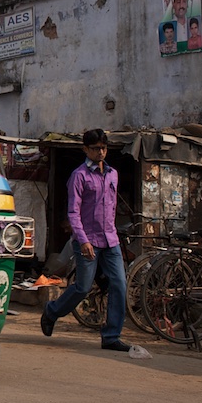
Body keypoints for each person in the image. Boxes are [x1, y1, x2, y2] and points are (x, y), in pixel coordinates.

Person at [41, 129, 132, 352]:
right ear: (85, 149)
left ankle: (111, 336)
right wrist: (83, 241)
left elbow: (111, 208)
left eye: (103, 148)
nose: (100, 152)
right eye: (95, 148)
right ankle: (52, 311)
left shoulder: (113, 174)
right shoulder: (79, 176)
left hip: (110, 240)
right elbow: (73, 212)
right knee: (82, 288)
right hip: (87, 240)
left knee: (119, 285)